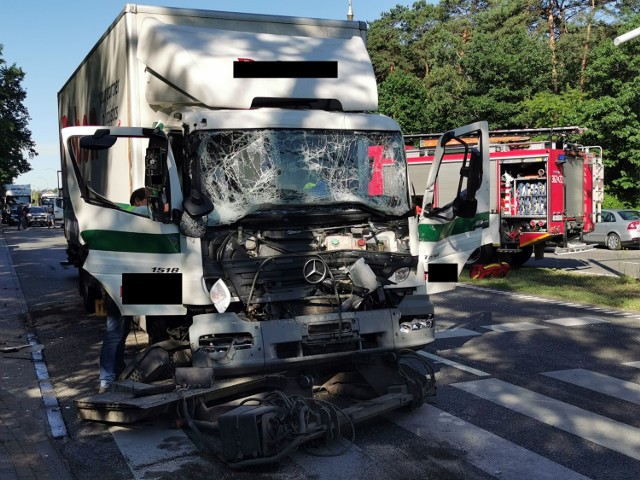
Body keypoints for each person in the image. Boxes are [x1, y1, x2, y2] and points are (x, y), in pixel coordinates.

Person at [98, 294, 131, 393]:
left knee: (121, 332)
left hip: (117, 292)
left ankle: (117, 371)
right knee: (114, 334)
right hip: (117, 293)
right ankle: (106, 380)